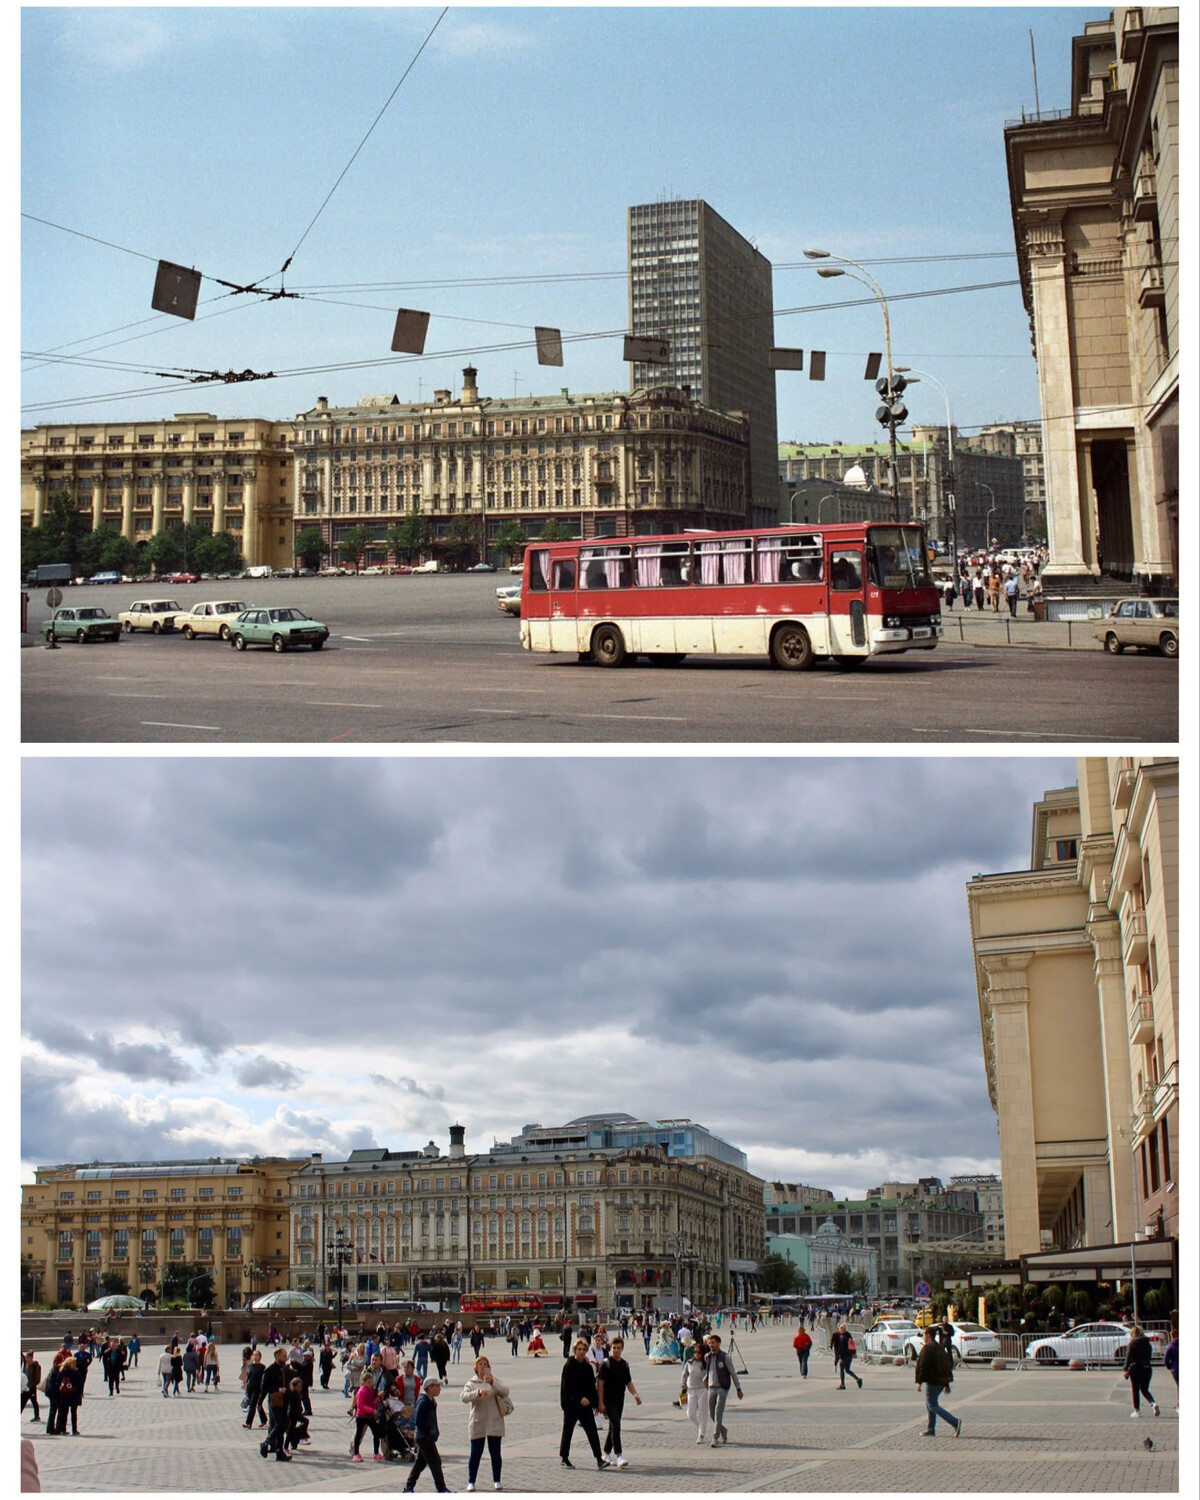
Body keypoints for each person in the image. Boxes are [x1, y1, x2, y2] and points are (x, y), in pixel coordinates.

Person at [460, 1354, 509, 1492]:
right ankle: (471, 1481)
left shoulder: (494, 1380)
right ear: (476, 1368)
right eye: (480, 1364)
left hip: (494, 1421)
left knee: (495, 1453)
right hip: (478, 1421)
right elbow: (463, 1397)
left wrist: (493, 1382)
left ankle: (497, 1480)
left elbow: (506, 1391)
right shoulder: (471, 1383)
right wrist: (478, 1393)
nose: (483, 1367)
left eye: (485, 1364)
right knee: (475, 1453)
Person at [559, 1337, 609, 1470]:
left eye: (583, 1350)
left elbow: (591, 1387)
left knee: (592, 1431)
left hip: (586, 1405)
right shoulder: (569, 1366)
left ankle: (599, 1459)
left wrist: (595, 1402)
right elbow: (567, 1387)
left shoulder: (587, 1367)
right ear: (575, 1350)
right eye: (579, 1349)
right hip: (572, 1404)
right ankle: (564, 1457)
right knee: (568, 1430)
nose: (581, 1352)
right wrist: (578, 1398)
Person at [597, 1336, 641, 1469]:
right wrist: (600, 1403)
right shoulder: (606, 1364)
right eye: (614, 1348)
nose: (616, 1351)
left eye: (619, 1348)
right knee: (616, 1424)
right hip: (607, 1399)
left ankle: (605, 1454)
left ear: (622, 1349)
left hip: (619, 1399)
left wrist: (635, 1394)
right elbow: (600, 1384)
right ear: (611, 1348)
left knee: (613, 1426)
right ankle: (619, 1455)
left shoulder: (624, 1364)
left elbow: (628, 1382)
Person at [405, 1375, 450, 1492]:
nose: (440, 1388)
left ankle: (409, 1486)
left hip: (426, 1437)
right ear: (430, 1388)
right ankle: (441, 1488)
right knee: (435, 1462)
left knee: (420, 1462)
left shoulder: (430, 1401)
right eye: (437, 1386)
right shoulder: (423, 1401)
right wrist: (429, 1432)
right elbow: (418, 1420)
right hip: (424, 1437)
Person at [914, 1325, 961, 1438]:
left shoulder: (928, 1348)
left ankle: (954, 1422)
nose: (923, 1338)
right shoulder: (938, 1347)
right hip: (940, 1380)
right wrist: (946, 1384)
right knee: (930, 1404)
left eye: (924, 1335)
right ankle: (931, 1429)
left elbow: (922, 1365)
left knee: (931, 1405)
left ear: (929, 1335)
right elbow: (944, 1366)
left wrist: (919, 1382)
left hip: (933, 1380)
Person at [703, 1333, 743, 1447]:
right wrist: (705, 1379)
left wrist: (738, 1388)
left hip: (722, 1388)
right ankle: (723, 1430)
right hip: (711, 1387)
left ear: (719, 1344)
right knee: (711, 1413)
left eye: (713, 1343)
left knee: (718, 1412)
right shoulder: (708, 1357)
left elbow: (733, 1373)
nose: (711, 1345)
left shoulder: (725, 1357)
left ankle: (715, 1437)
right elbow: (708, 1371)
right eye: (710, 1343)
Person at [259, 1347, 293, 1461]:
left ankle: (279, 1452)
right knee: (280, 1425)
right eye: (284, 1356)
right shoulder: (270, 1370)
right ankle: (266, 1443)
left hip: (285, 1401)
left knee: (282, 1425)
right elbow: (264, 1387)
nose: (285, 1357)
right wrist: (278, 1389)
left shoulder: (285, 1369)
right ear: (277, 1356)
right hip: (275, 1401)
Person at [1123, 1326, 1159, 1418]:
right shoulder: (1148, 1344)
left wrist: (1125, 1369)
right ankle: (1153, 1403)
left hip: (1136, 1369)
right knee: (1145, 1389)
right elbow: (1149, 1356)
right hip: (1147, 1368)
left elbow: (1128, 1357)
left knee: (1135, 1390)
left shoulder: (1132, 1343)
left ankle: (1137, 1411)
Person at [351, 1370, 383, 1463]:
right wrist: (372, 1411)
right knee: (359, 1434)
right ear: (363, 1382)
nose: (370, 1384)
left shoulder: (369, 1390)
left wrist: (377, 1400)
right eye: (368, 1382)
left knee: (376, 1433)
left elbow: (371, 1402)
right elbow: (360, 1405)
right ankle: (356, 1453)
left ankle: (376, 1453)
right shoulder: (361, 1391)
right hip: (361, 1416)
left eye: (371, 1381)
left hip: (369, 1416)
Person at [680, 1342, 709, 1444]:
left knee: (702, 1412)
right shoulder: (689, 1363)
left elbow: (710, 1375)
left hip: (702, 1390)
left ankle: (701, 1434)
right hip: (691, 1390)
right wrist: (683, 1383)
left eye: (699, 1352)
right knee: (690, 1413)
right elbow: (684, 1375)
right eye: (695, 1352)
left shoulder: (706, 1364)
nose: (697, 1354)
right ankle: (700, 1427)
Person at [831, 1324, 862, 1390]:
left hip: (844, 1356)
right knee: (847, 1370)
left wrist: (841, 1357)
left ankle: (842, 1384)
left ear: (841, 1329)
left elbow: (842, 1348)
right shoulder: (849, 1336)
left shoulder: (842, 1337)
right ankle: (857, 1379)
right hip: (849, 1355)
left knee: (842, 1370)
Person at [243, 1349, 267, 1428]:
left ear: (260, 1357)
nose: (255, 1356)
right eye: (254, 1354)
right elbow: (248, 1377)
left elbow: (264, 1378)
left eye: (257, 1355)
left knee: (252, 1405)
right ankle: (264, 1420)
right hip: (250, 1387)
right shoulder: (250, 1366)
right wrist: (246, 1387)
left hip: (258, 1388)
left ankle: (248, 1423)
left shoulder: (262, 1367)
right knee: (257, 1404)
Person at [22, 1354, 42, 1424]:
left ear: (31, 1358)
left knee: (34, 1401)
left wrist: (32, 1385)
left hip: (32, 1388)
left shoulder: (35, 1365)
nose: (26, 1359)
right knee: (22, 1402)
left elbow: (37, 1378)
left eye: (27, 1358)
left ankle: (37, 1416)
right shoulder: (26, 1365)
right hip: (25, 1387)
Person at [1163, 1327, 1178, 1408]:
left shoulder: (1170, 1346)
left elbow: (1165, 1359)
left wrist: (1170, 1367)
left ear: (1172, 1336)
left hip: (1175, 1369)